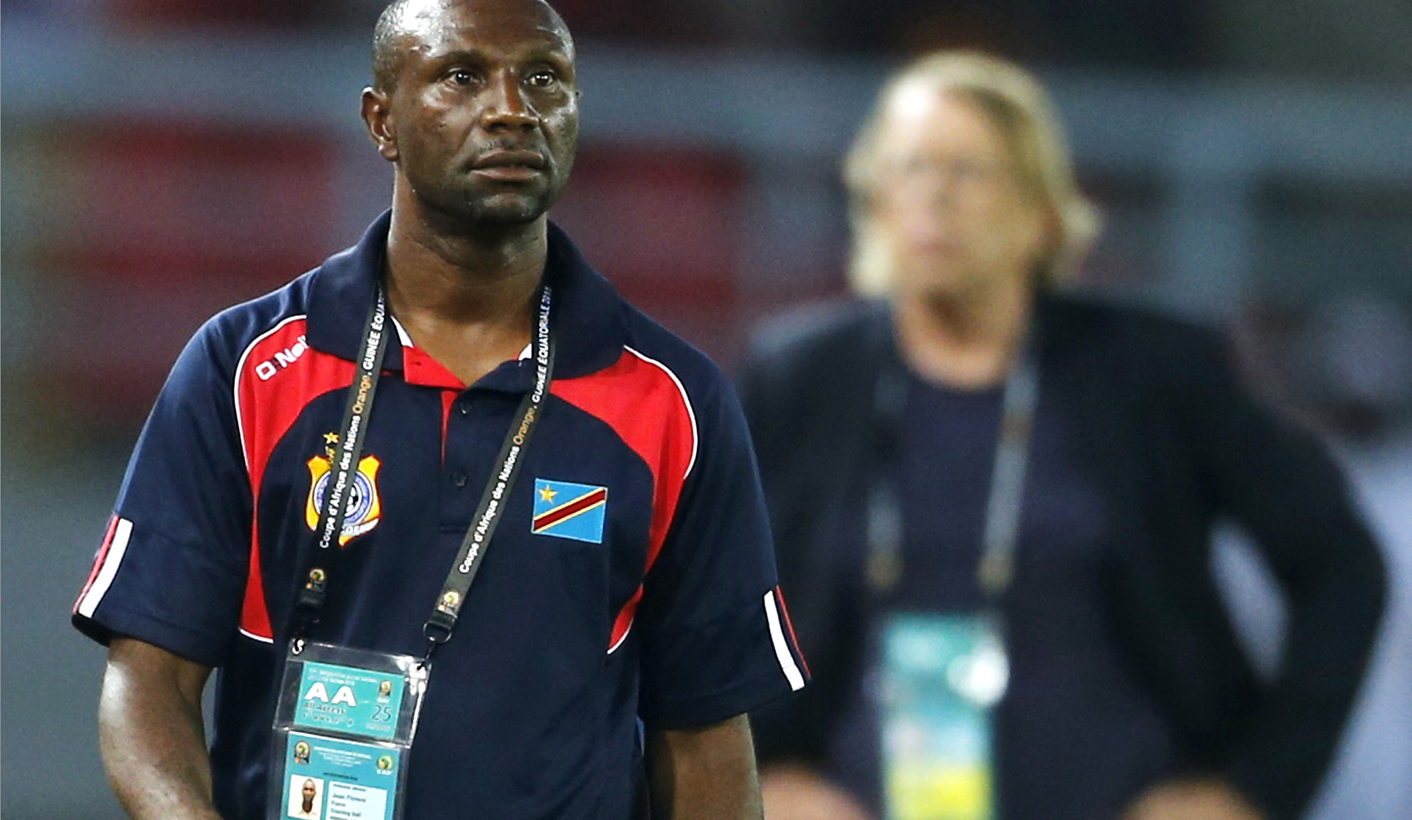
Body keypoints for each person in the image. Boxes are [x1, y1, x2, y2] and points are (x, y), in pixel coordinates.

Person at [70, 1, 807, 819]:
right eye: (462, 76)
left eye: (543, 78)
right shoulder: (244, 368)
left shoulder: (675, 401)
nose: (511, 109)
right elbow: (148, 683)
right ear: (381, 121)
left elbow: (706, 737)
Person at [742, 52, 1386, 820]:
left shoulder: (1155, 371)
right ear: (873, 196)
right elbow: (703, 600)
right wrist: (763, 773)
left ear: (1042, 210)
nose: (933, 196)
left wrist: (1252, 789)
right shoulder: (802, 379)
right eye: (908, 166)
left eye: (968, 171)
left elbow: (1342, 566)